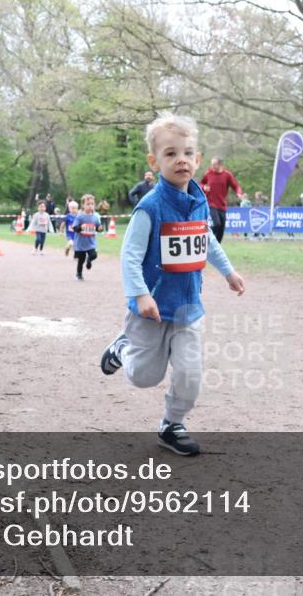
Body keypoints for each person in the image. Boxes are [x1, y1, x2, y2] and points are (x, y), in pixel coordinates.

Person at [99, 112, 245, 456]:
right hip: (150, 311)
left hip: (188, 309)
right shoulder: (149, 207)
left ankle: (172, 423)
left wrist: (228, 271)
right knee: (144, 377)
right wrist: (140, 293)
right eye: (170, 153)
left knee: (190, 375)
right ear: (154, 161)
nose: (180, 159)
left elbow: (206, 239)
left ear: (197, 159)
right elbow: (129, 257)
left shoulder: (198, 201)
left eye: (187, 153)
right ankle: (123, 347)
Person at [200, 157, 242, 243]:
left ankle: (217, 244)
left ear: (220, 165)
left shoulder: (227, 175)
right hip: (211, 203)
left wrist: (239, 193)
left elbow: (236, 186)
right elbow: (201, 183)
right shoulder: (209, 173)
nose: (212, 166)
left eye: (214, 164)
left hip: (222, 204)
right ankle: (204, 235)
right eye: (211, 164)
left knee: (222, 228)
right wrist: (204, 187)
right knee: (217, 223)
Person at [72, 194, 103, 281]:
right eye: (88, 204)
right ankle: (79, 274)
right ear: (83, 205)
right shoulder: (80, 216)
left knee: (94, 255)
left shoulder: (95, 217)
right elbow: (74, 228)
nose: (90, 206)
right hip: (81, 243)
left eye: (92, 204)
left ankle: (89, 260)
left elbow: (98, 227)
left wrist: (100, 228)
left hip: (91, 242)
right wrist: (80, 227)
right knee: (81, 260)